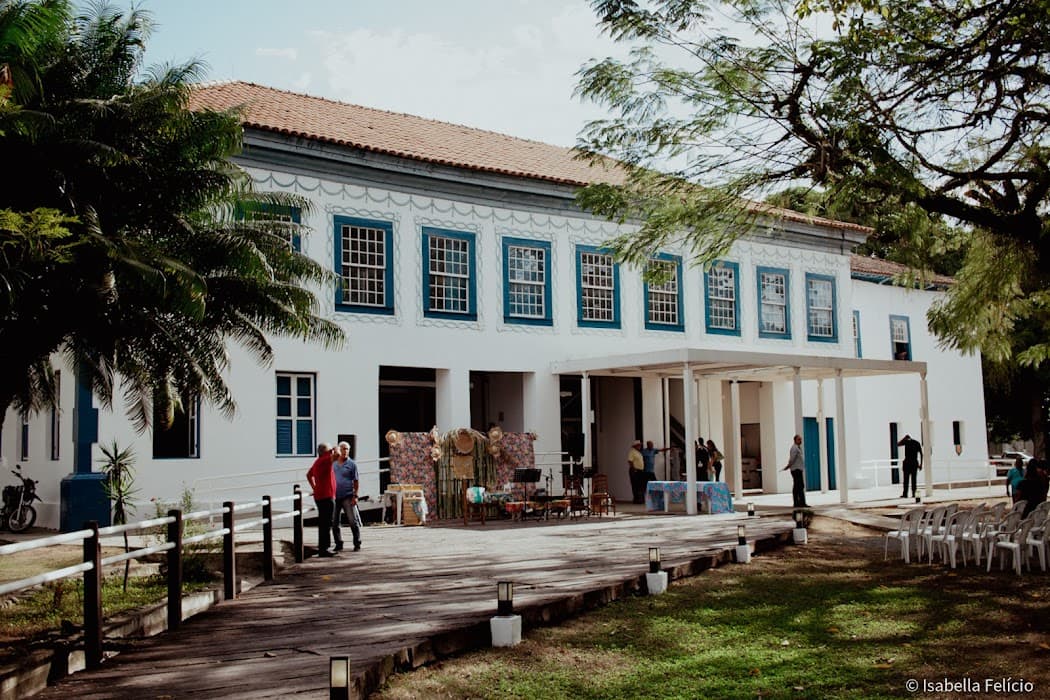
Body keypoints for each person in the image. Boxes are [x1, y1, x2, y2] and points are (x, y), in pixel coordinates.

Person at [306, 442, 338, 557]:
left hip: (320, 495)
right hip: (326, 496)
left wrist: (314, 487)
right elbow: (338, 455)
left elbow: (308, 475)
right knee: (327, 522)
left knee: (323, 522)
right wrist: (336, 448)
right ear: (326, 451)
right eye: (329, 450)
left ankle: (323, 547)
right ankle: (324, 549)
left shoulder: (317, 462)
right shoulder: (325, 460)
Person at [332, 441, 362, 552]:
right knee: (334, 522)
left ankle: (357, 543)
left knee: (352, 521)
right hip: (335, 496)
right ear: (339, 450)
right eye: (343, 448)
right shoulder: (333, 464)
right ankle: (338, 543)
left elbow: (356, 481)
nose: (346, 451)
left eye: (347, 449)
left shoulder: (352, 464)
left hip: (348, 496)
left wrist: (355, 496)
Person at [783, 434, 808, 508]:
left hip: (799, 469)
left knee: (800, 486)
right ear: (795, 440)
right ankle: (797, 502)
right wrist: (788, 466)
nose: (800, 441)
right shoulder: (794, 448)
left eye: (801, 439)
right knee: (797, 486)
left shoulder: (798, 448)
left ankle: (802, 502)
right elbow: (792, 459)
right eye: (799, 439)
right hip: (796, 469)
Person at [896, 434, 923, 499]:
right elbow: (921, 454)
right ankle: (914, 494)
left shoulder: (906, 442)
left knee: (906, 480)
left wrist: (904, 438)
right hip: (914, 463)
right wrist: (921, 464)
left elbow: (898, 444)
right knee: (914, 480)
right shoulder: (917, 443)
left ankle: (905, 494)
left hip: (907, 463)